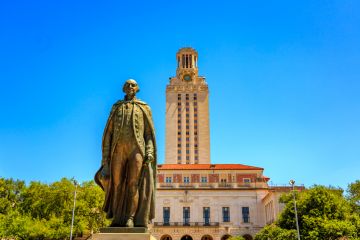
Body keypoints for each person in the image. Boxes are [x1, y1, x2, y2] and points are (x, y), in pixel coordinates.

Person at [95, 79, 156, 228]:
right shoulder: (116, 107)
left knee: (133, 184)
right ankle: (117, 217)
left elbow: (149, 134)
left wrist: (149, 151)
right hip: (118, 151)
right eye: (127, 85)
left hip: (137, 150)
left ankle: (130, 217)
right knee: (116, 184)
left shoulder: (144, 107)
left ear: (137, 89)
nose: (130, 87)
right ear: (123, 88)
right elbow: (108, 133)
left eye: (133, 85)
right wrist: (105, 160)